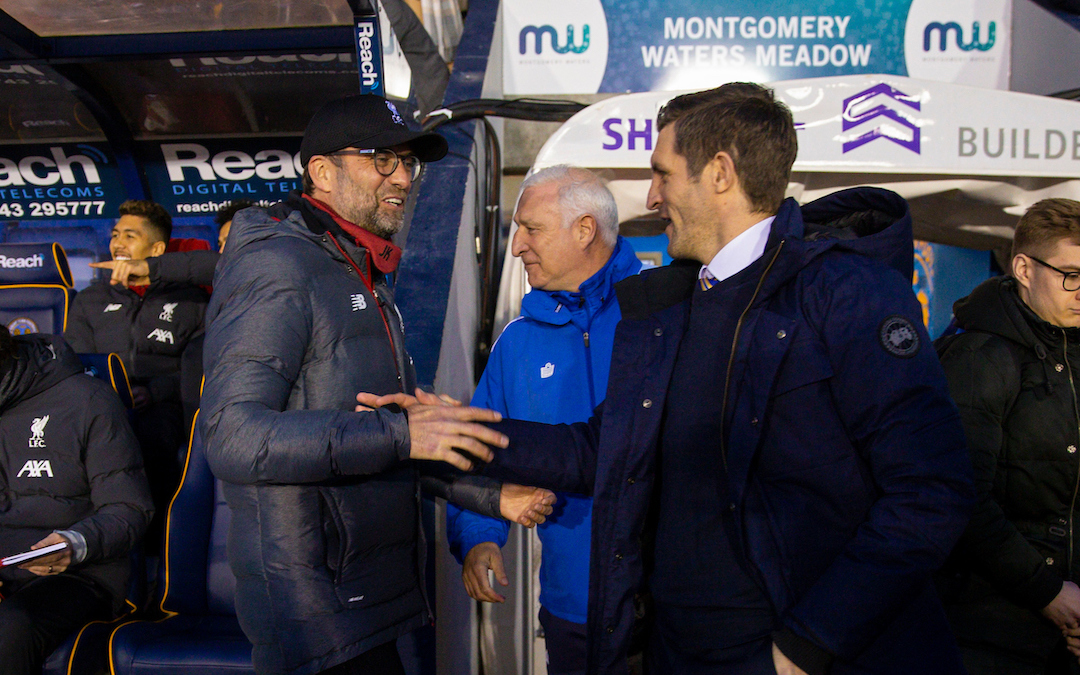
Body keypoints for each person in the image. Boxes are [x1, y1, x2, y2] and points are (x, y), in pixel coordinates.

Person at [362, 82, 974, 675]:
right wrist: (459, 429)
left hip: (793, 654)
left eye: (662, 174)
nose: (652, 197)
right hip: (673, 649)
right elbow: (600, 448)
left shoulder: (847, 293)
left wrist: (809, 645)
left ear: (720, 174)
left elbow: (930, 494)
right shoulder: (668, 308)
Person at [199, 94, 547, 675]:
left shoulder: (355, 264)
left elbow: (389, 438)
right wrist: (400, 434)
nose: (403, 178)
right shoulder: (279, 265)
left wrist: (489, 497)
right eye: (381, 159)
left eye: (408, 162)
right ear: (322, 172)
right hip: (312, 607)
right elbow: (232, 437)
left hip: (361, 594)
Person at [446, 165, 641, 674]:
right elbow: (481, 449)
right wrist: (479, 535)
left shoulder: (662, 316)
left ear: (584, 230)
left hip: (663, 605)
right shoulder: (518, 341)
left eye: (531, 228)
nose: (516, 247)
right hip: (570, 610)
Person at [937, 198, 1080, 674]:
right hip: (991, 630)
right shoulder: (979, 356)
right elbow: (960, 495)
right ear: (1023, 267)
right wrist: (1049, 592)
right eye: (1071, 274)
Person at [0, 326, 153, 675]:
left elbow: (129, 510)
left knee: (10, 629)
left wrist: (75, 543)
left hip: (80, 574)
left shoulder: (87, 400)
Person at [65, 199, 209, 541]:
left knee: (152, 441)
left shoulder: (192, 300)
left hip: (163, 407)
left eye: (130, 236)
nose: (118, 243)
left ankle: (155, 545)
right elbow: (78, 360)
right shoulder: (90, 299)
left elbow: (199, 370)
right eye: (115, 234)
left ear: (156, 248)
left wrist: (154, 391)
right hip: (101, 405)